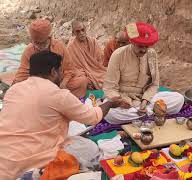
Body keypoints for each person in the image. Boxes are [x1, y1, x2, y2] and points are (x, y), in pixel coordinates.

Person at [0, 51, 129, 179]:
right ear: (53, 72)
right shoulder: (58, 94)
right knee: (90, 148)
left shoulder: (13, 89)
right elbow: (92, 117)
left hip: (4, 158)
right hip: (31, 161)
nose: (62, 75)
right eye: (60, 71)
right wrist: (110, 103)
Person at [103, 22, 184, 124]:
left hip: (145, 99)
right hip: (123, 99)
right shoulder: (118, 55)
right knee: (111, 114)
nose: (144, 50)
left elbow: (154, 84)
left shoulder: (151, 55)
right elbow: (110, 88)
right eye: (141, 46)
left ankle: (144, 113)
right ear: (132, 42)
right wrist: (122, 101)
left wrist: (145, 102)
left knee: (179, 99)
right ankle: (152, 112)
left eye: (147, 47)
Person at [12, 19, 87, 98]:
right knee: (21, 91)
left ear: (48, 37)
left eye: (42, 42)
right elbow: (23, 74)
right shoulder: (29, 51)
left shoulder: (59, 46)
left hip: (59, 83)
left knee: (82, 81)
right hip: (38, 87)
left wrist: (64, 83)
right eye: (36, 43)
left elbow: (69, 68)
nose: (39, 46)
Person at [67, 20, 106, 96]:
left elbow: (99, 61)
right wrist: (88, 76)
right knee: (83, 81)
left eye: (82, 30)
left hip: (97, 71)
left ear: (85, 29)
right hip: (84, 75)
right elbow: (73, 68)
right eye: (78, 31)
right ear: (73, 33)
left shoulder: (93, 41)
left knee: (108, 76)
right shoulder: (71, 47)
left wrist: (93, 72)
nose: (81, 33)